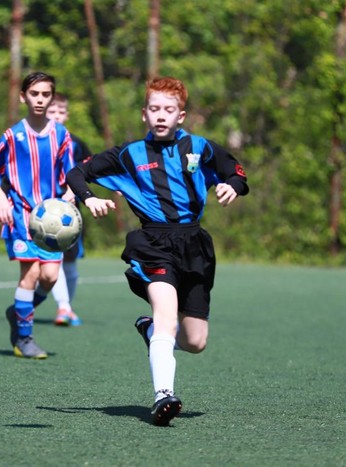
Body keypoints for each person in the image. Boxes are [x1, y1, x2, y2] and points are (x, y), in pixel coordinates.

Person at [66, 77, 249, 425]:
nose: (161, 115)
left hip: (194, 246)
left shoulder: (200, 148)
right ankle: (163, 395)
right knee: (167, 315)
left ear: (181, 115)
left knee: (195, 341)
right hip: (152, 244)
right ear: (144, 114)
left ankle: (150, 332)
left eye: (169, 109)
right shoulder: (128, 154)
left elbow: (235, 171)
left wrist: (231, 186)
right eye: (154, 109)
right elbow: (77, 172)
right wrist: (89, 198)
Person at [0, 71, 76, 359]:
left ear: (51, 97)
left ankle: (18, 312)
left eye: (46, 94)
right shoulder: (12, 136)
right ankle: (25, 338)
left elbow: (71, 175)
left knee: (49, 277)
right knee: (31, 273)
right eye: (34, 94)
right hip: (21, 216)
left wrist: (70, 197)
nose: (40, 99)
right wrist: (0, 202)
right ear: (23, 97)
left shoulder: (61, 135)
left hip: (52, 220)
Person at [45, 93, 93, 326]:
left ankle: (66, 307)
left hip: (71, 212)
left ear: (67, 114)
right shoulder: (36, 141)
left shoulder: (77, 144)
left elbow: (93, 170)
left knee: (70, 263)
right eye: (52, 112)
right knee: (52, 259)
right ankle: (63, 307)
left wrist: (116, 185)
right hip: (43, 212)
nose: (56, 116)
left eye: (60, 112)